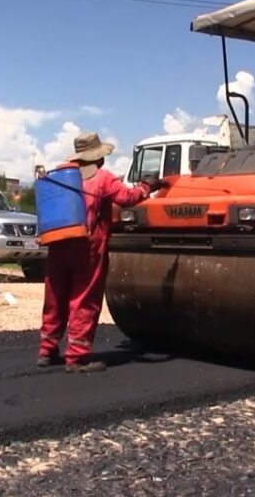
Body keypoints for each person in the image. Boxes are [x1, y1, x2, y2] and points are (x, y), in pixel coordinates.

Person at [38, 132, 167, 373]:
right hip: (87, 249)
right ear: (98, 158)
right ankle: (76, 357)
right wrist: (148, 186)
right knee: (84, 298)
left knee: (55, 297)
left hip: (57, 245)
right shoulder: (103, 179)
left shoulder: (58, 177)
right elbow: (127, 197)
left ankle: (47, 349)